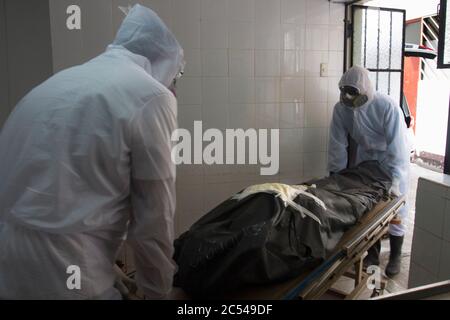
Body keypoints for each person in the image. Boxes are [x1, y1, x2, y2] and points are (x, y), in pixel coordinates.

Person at [0, 4, 185, 299]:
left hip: (10, 269)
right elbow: (154, 220)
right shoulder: (152, 96)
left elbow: (57, 198)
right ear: (165, 61)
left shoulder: (60, 82)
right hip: (67, 277)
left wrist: (109, 266)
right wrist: (157, 291)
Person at [328, 66, 410, 277]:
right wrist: (336, 173)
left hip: (390, 157)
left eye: (353, 92)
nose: (348, 97)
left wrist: (395, 180)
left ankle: (395, 255)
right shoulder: (341, 109)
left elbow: (398, 147)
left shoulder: (387, 106)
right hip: (365, 157)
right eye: (345, 91)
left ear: (366, 91)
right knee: (368, 206)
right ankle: (372, 254)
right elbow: (337, 143)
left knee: (395, 207)